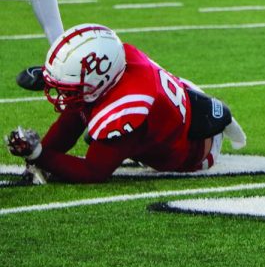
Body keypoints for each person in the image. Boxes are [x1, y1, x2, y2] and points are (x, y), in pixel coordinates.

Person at [5, 23, 247, 184]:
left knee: (103, 137)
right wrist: (42, 153)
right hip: (180, 101)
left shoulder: (129, 106)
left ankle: (220, 123)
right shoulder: (120, 61)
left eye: (69, 87)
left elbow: (94, 172)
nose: (64, 95)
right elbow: (72, 118)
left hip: (195, 150)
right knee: (92, 121)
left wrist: (38, 154)